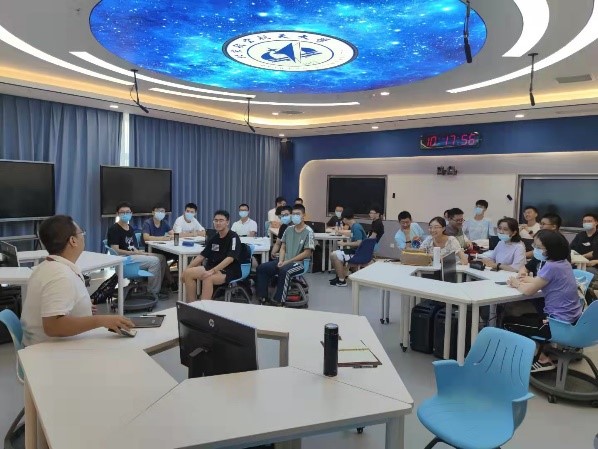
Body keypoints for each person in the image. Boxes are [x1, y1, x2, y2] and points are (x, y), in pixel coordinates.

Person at [21, 215, 133, 346]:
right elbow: (52, 326)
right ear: (73, 241)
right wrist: (101, 320)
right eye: (81, 233)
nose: (83, 236)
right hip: (51, 351)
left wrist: (82, 307)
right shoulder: (60, 276)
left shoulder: (49, 267)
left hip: (47, 345)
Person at [506, 230, 583, 372]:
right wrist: (528, 280)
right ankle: (544, 349)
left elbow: (529, 291)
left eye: (538, 247)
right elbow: (543, 281)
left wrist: (516, 283)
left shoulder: (551, 266)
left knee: (507, 322)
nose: (534, 249)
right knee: (528, 315)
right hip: (573, 321)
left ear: (551, 249)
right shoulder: (563, 263)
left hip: (557, 324)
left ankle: (542, 359)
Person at [256, 204, 314, 305]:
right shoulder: (288, 229)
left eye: (298, 214)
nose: (295, 216)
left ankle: (279, 301)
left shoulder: (308, 231)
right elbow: (283, 247)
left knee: (284, 271)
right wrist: (281, 260)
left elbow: (307, 252)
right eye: (293, 214)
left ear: (303, 215)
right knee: (262, 268)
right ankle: (263, 297)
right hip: (284, 261)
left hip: (299, 263)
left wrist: (287, 262)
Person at [107, 202, 165, 300]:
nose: (125, 214)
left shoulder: (129, 227)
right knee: (155, 261)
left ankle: (156, 286)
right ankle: (153, 292)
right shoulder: (114, 229)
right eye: (122, 212)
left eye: (127, 212)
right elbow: (116, 250)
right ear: (117, 214)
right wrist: (134, 253)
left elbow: (133, 246)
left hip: (133, 255)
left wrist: (142, 253)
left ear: (131, 213)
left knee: (161, 257)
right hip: (124, 260)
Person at [181, 210, 242, 302]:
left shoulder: (233, 237)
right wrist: (186, 270)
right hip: (212, 267)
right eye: (216, 220)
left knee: (208, 277)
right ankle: (192, 305)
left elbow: (230, 258)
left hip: (229, 270)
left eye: (221, 220)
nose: (218, 223)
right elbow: (202, 256)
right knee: (188, 273)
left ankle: (203, 308)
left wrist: (212, 271)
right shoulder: (214, 238)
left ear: (227, 222)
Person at [141, 203, 177, 290]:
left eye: (162, 211)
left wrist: (171, 237)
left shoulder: (164, 223)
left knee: (177, 255)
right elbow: (146, 238)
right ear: (153, 212)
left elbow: (173, 234)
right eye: (158, 211)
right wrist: (162, 238)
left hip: (162, 248)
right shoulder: (147, 223)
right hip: (150, 249)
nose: (161, 213)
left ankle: (176, 280)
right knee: (162, 257)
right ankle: (171, 281)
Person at [519, 212, 566, 277]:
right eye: (540, 223)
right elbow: (527, 267)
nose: (540, 226)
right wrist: (523, 273)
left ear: (554, 226)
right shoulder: (542, 242)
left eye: (543, 224)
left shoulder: (559, 245)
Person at [329, 208, 367, 287]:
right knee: (332, 254)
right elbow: (352, 234)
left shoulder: (356, 227)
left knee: (334, 255)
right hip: (357, 251)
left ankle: (342, 280)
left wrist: (345, 243)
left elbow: (359, 242)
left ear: (345, 219)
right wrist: (340, 232)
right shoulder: (355, 226)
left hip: (358, 253)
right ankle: (339, 277)